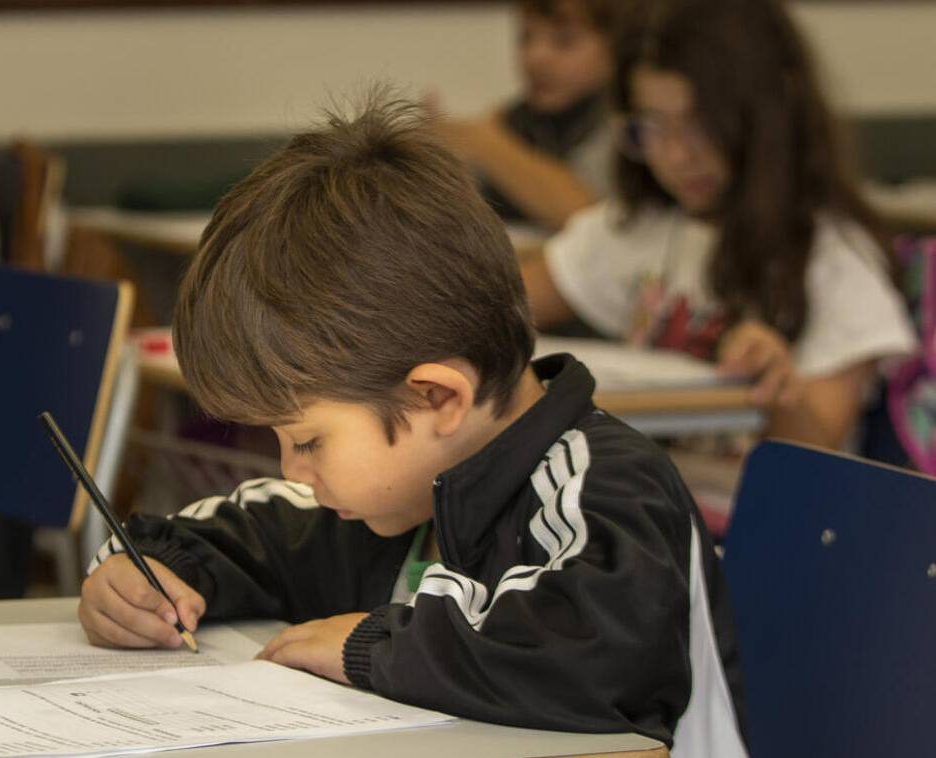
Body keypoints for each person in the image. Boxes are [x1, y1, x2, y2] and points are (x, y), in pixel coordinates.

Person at [78, 94, 747, 757]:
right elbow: (252, 534)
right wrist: (151, 574)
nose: (293, 471)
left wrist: (370, 647)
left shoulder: (604, 487)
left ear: (436, 397)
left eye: (309, 440)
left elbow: (592, 656)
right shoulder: (402, 492)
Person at [522, 0, 916, 451]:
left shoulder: (834, 257)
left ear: (769, 113)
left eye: (701, 124)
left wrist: (778, 389)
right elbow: (498, 304)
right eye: (652, 126)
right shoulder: (641, 228)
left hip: (749, 512)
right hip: (646, 500)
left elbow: (817, 462)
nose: (676, 156)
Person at [429, 0, 619, 230]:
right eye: (526, 38)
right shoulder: (514, 118)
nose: (535, 57)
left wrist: (487, 145)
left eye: (564, 41)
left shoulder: (621, 123)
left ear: (617, 48)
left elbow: (589, 217)